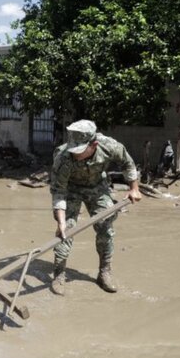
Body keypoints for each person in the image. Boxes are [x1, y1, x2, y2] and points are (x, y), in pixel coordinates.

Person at [49, 120, 142, 296]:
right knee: (66, 230)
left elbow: (127, 163)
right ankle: (59, 274)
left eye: (80, 150)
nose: (75, 154)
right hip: (71, 189)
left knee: (106, 227)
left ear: (94, 145)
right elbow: (58, 191)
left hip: (98, 187)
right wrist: (60, 222)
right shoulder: (62, 157)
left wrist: (134, 188)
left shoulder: (109, 146)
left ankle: (104, 272)